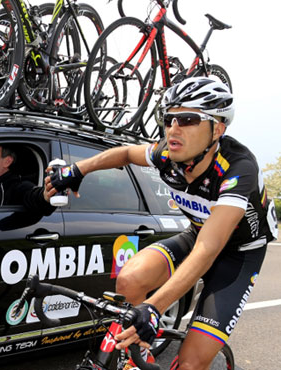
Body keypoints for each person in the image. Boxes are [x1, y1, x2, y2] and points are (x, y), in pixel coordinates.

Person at [45, 77, 278, 369]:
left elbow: (210, 248)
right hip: (198, 234)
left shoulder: (238, 168)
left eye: (188, 119)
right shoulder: (167, 153)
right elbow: (126, 153)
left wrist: (154, 307)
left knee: (192, 363)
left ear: (217, 128)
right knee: (130, 279)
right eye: (168, 119)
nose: (173, 128)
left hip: (237, 253)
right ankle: (136, 360)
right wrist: (78, 169)